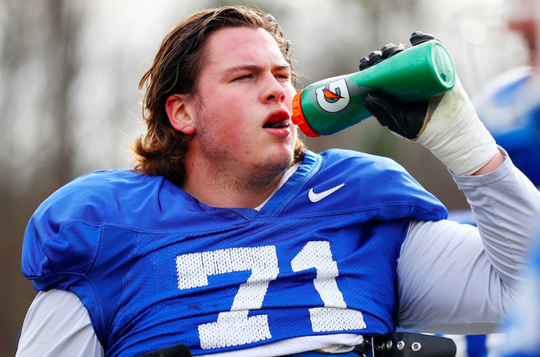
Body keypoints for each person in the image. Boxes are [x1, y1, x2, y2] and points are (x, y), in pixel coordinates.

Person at [15, 5, 540, 357]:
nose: (275, 90)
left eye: (282, 76)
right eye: (245, 77)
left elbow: (529, 293)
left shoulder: (360, 206)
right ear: (183, 113)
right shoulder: (103, 236)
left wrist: (468, 148)